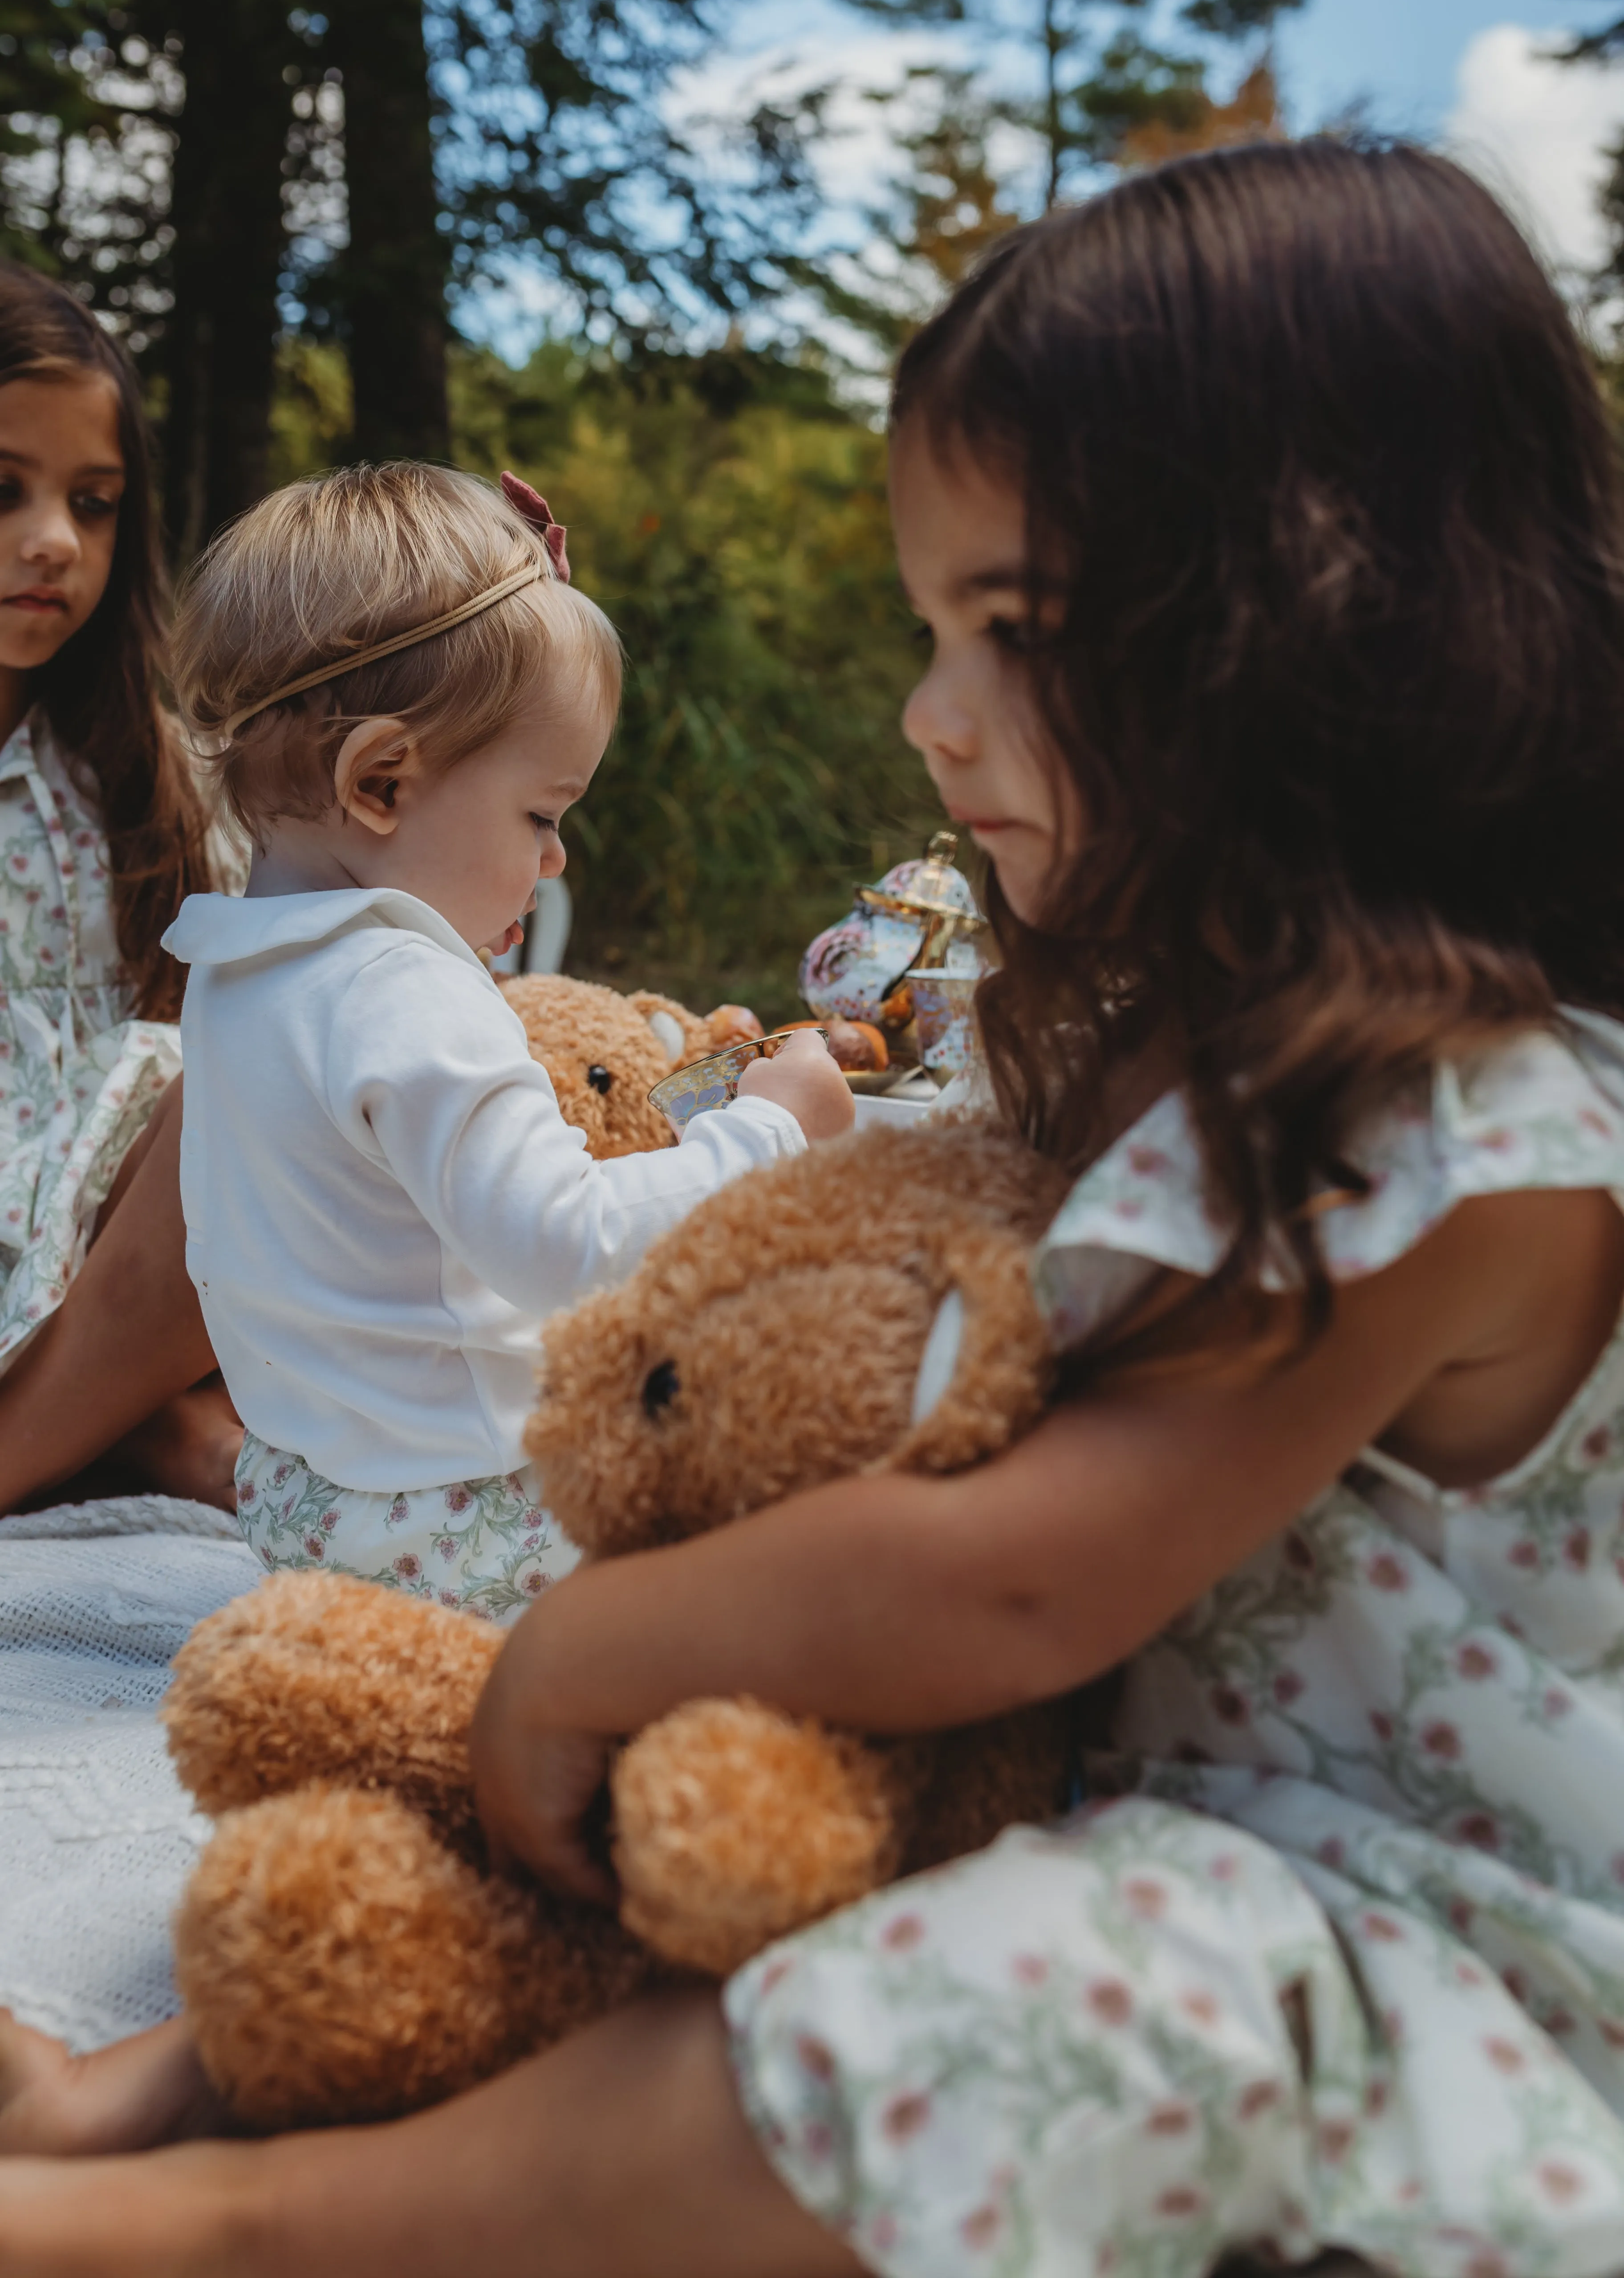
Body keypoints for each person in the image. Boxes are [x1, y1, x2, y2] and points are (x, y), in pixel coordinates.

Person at [4, 135, 1624, 2278]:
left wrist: (598, 1637)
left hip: (1369, 1920)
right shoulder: (1208, 1043)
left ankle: (242, 2221)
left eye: (1014, 630)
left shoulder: (1463, 1135)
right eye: (932, 626)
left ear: (1332, 629)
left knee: (1052, 1990)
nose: (927, 714)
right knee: (687, 1847)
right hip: (1066, 1770)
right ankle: (157, 2089)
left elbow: (1024, 1580)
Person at [154, 460, 849, 1613]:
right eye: (542, 814)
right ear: (381, 781)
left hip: (309, 1512)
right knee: (811, 1469)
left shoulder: (238, 972)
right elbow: (564, 1248)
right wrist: (772, 1130)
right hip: (481, 1516)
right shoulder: (405, 987)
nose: (556, 859)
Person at [0, 264, 239, 1514]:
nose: (53, 541)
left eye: (92, 505)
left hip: (122, 1224)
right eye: (5, 490)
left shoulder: (141, 766)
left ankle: (165, 1440)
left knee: (264, 1089)